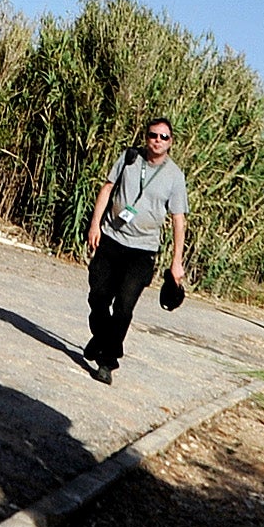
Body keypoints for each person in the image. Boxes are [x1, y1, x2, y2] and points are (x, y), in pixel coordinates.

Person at [78, 117, 187, 385]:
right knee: (99, 297)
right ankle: (102, 339)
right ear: (146, 137)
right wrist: (95, 226)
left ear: (171, 142)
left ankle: (107, 360)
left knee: (124, 307)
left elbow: (178, 219)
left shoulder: (174, 176)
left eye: (164, 137)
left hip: (143, 250)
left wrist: (177, 262)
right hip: (112, 239)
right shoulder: (129, 158)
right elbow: (106, 189)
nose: (158, 141)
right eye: (153, 135)